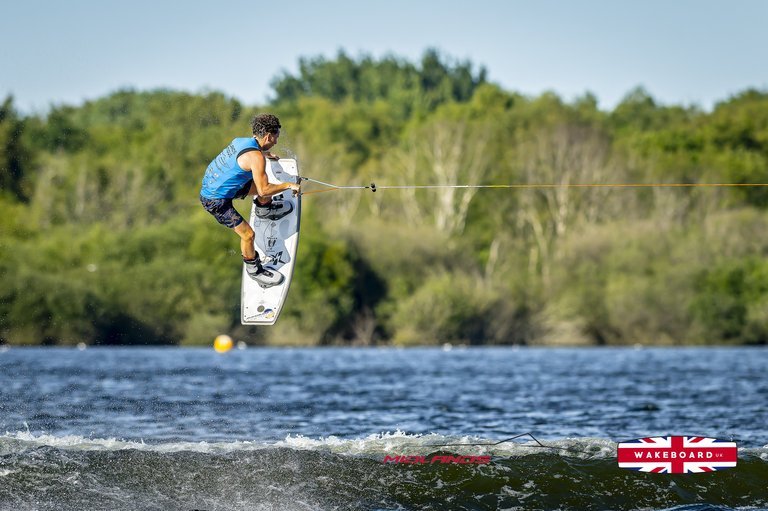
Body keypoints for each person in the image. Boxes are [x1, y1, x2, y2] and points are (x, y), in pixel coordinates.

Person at [200, 113, 301, 288]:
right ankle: (254, 270)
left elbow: (248, 157)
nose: (276, 141)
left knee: (263, 180)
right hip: (215, 200)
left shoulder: (241, 141)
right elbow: (263, 189)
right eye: (275, 138)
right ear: (268, 136)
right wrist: (288, 185)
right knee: (248, 235)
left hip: (219, 185)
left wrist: (266, 153)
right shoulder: (256, 157)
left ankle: (264, 208)